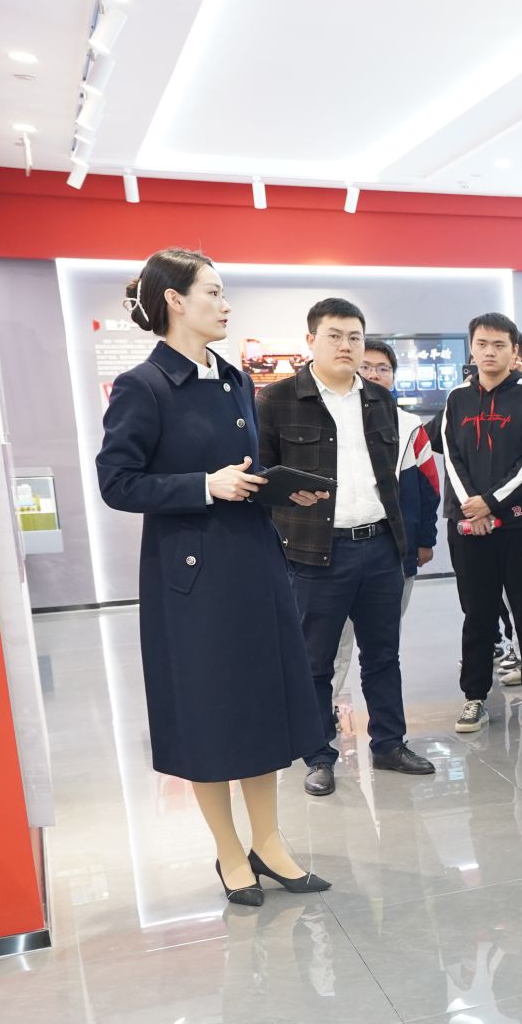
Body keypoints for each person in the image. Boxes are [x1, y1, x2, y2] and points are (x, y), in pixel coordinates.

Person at [94, 247, 330, 906]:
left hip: (253, 561)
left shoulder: (232, 378)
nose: (226, 305)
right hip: (192, 579)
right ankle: (229, 851)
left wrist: (275, 488)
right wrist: (203, 485)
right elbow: (117, 481)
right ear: (175, 301)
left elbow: (242, 470)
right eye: (214, 292)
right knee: (208, 714)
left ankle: (269, 842)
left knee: (260, 707)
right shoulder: (144, 386)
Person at [256, 296, 438, 797]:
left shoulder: (380, 401)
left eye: (354, 337)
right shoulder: (276, 400)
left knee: (383, 656)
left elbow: (396, 480)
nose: (346, 345)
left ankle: (389, 744)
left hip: (379, 547)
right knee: (315, 661)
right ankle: (319, 755)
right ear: (310, 340)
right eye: (334, 335)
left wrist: (409, 543)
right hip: (315, 552)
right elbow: (260, 479)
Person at [433, 312, 522, 735]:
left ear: (514, 350)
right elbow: (451, 456)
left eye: (499, 345)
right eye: (482, 344)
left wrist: (492, 504)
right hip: (469, 524)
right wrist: (473, 506)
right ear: (471, 348)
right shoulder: (457, 399)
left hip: (519, 523)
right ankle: (475, 697)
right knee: (477, 613)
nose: (489, 352)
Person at [328, 339, 438, 735]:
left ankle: (388, 737)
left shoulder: (409, 426)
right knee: (331, 645)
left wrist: (425, 540)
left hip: (393, 552)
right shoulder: (331, 419)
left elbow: (428, 488)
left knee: (383, 648)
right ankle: (321, 719)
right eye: (367, 366)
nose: (374, 374)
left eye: (383, 368)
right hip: (332, 555)